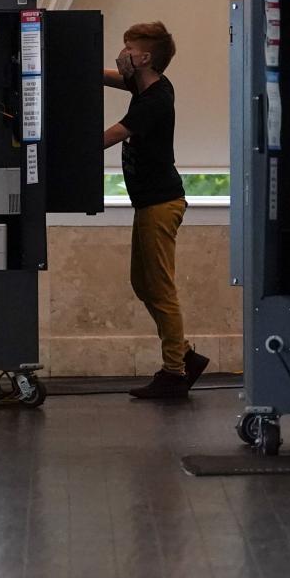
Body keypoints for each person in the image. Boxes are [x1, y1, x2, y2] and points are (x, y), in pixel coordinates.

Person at [103, 21, 209, 399]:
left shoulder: (156, 99)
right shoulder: (145, 84)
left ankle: (174, 373)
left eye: (127, 49)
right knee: (142, 283)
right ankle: (184, 356)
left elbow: (114, 134)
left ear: (144, 57)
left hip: (161, 204)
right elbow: (113, 77)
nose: (121, 55)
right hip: (149, 203)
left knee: (160, 289)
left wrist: (70, 149)